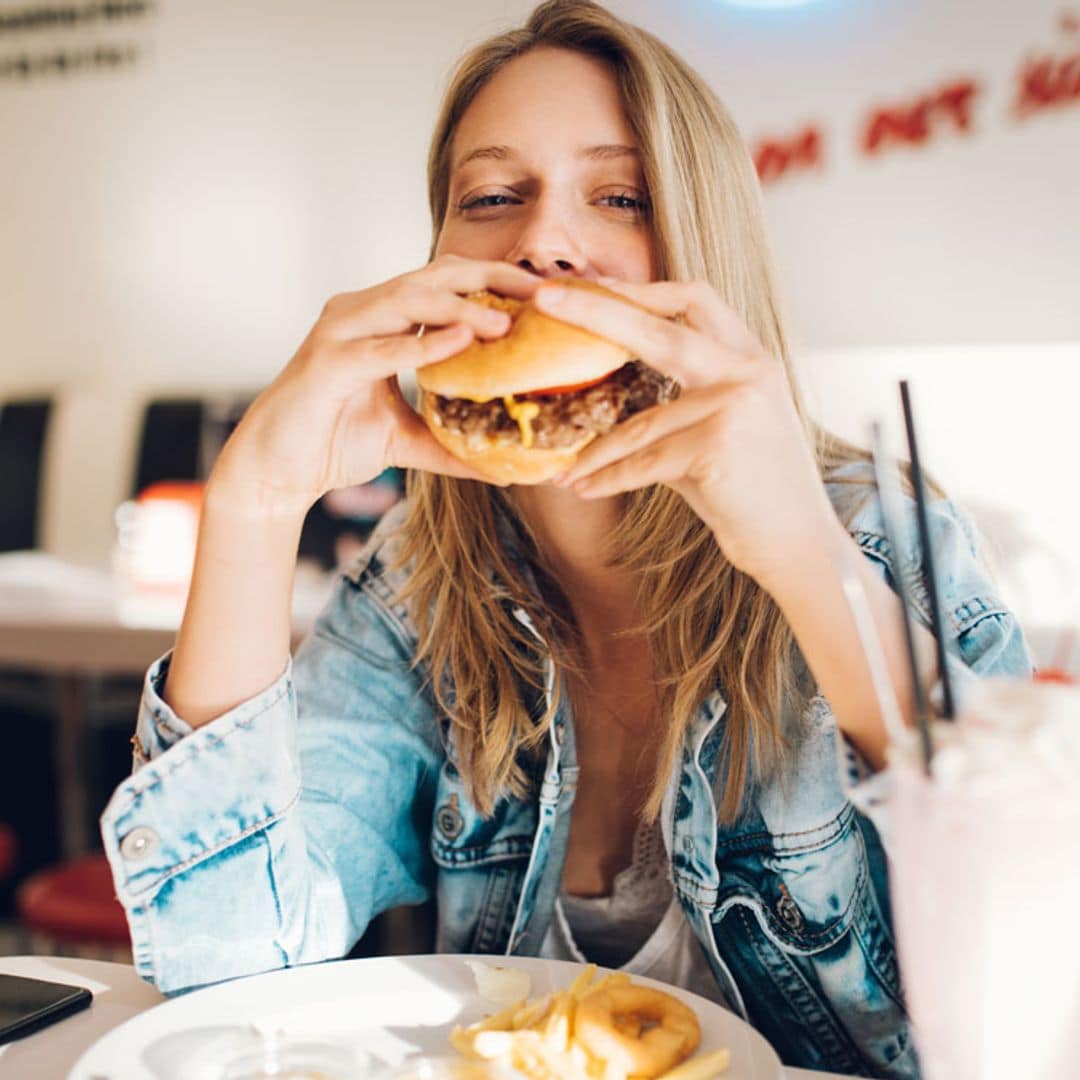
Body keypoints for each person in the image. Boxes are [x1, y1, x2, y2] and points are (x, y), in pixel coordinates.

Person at [100, 2, 1031, 1076]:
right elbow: (228, 981)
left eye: (621, 195)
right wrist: (257, 502)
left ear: (702, 249)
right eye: (491, 197)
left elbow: (1032, 1001)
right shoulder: (417, 590)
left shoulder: (880, 534)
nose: (541, 240)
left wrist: (806, 562)